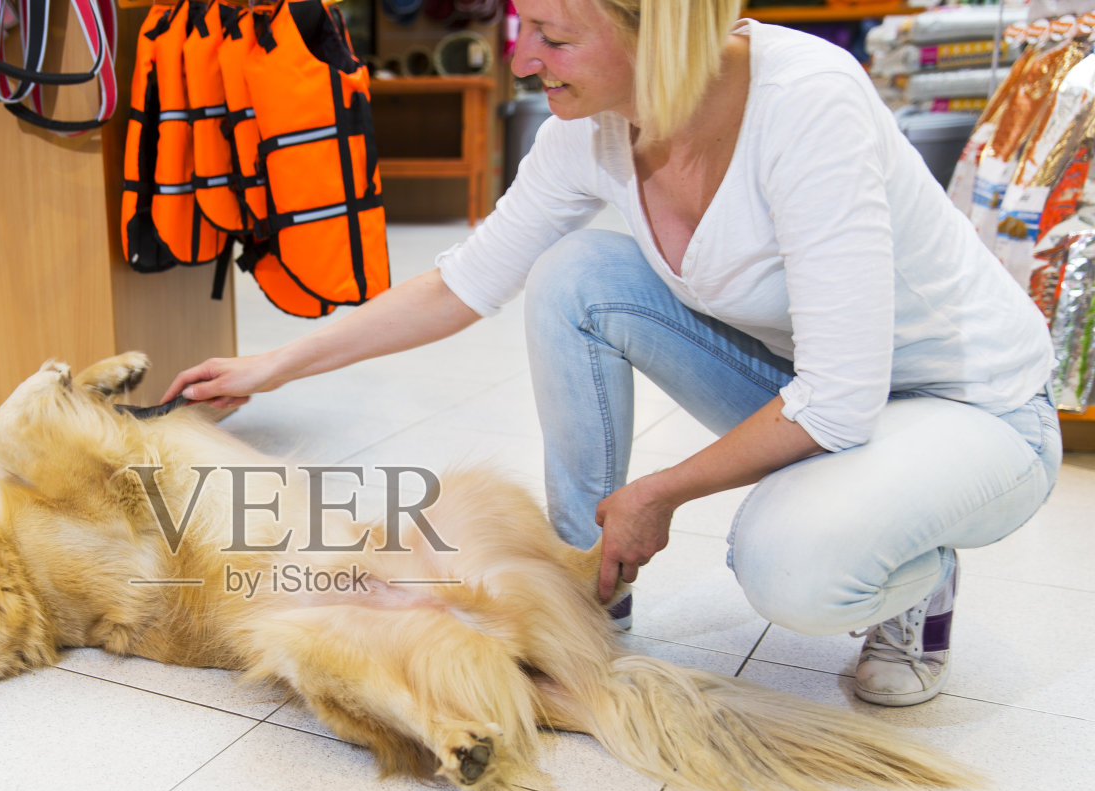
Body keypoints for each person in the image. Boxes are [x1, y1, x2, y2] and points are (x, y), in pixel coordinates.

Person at [160, 0, 1061, 707]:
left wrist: (656, 492)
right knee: (574, 273)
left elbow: (838, 399)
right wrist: (270, 365)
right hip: (816, 382)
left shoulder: (806, 106)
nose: (520, 59)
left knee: (790, 565)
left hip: (969, 407)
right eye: (523, 29)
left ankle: (918, 576)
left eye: (551, 36)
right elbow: (462, 283)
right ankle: (588, 588)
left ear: (657, 34)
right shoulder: (590, 133)